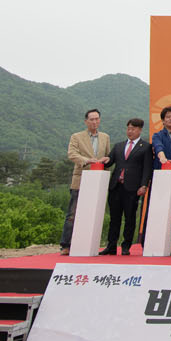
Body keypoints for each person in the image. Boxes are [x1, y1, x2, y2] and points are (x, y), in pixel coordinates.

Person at [62, 108, 111, 255]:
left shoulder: (105, 137)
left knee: (93, 213)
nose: (94, 122)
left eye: (97, 119)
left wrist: (107, 159)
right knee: (73, 213)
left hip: (97, 181)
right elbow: (72, 154)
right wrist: (87, 160)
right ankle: (66, 244)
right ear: (86, 121)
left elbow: (108, 155)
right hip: (81, 178)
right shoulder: (77, 137)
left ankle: (87, 243)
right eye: (92, 119)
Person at [102, 118, 151, 255]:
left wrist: (144, 185)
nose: (130, 131)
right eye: (128, 128)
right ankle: (111, 246)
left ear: (140, 130)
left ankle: (126, 246)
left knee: (129, 218)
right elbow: (109, 161)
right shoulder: (119, 146)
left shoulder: (145, 147)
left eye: (133, 129)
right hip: (116, 186)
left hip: (132, 188)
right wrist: (104, 160)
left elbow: (147, 168)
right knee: (114, 218)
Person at [148, 105, 171, 240]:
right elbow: (158, 147)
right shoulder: (158, 135)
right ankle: (153, 239)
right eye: (168, 117)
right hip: (162, 176)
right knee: (159, 209)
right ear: (163, 121)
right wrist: (162, 158)